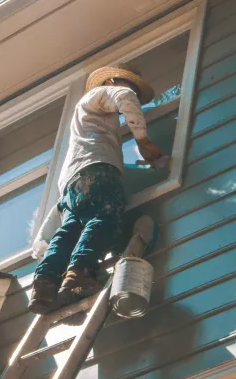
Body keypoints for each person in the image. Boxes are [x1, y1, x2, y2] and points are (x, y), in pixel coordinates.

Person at [29, 64, 163, 314]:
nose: (130, 91)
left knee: (71, 230)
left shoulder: (89, 121)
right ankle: (80, 273)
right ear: (111, 82)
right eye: (128, 84)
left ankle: (45, 283)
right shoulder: (97, 96)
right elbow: (126, 98)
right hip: (98, 170)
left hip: (73, 184)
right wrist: (143, 142)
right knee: (104, 216)